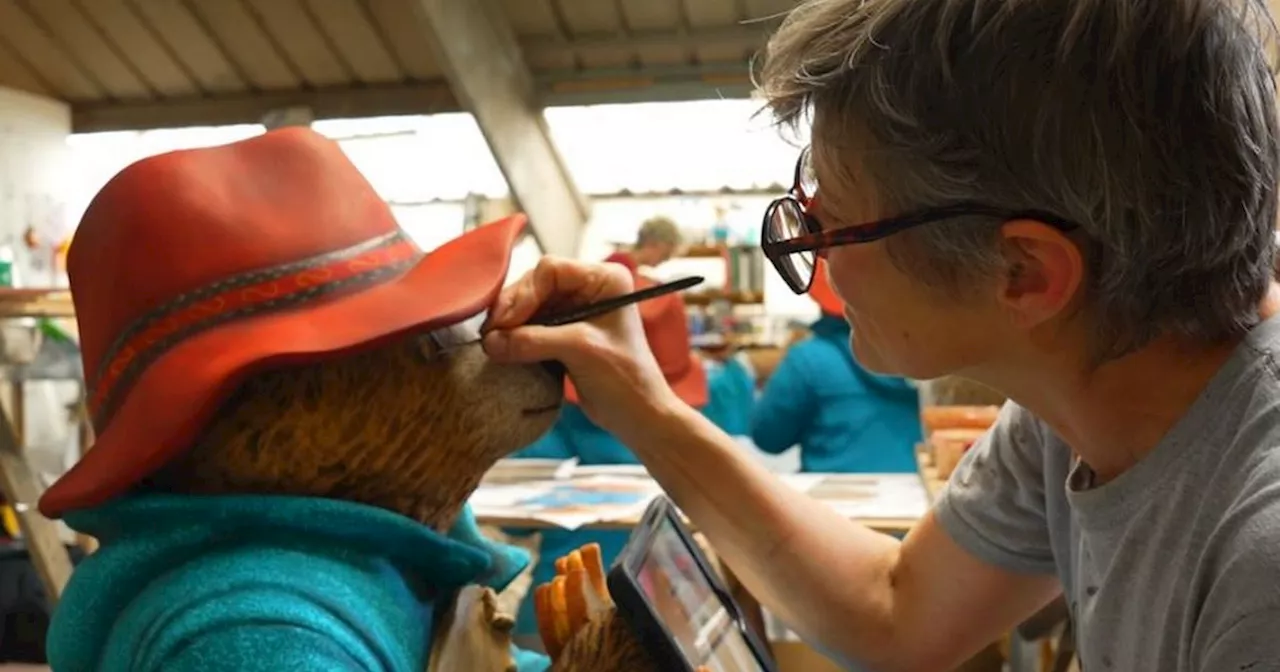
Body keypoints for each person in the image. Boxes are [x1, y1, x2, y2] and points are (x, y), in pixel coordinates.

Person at [480, 1, 1280, 670]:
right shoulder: (1076, 407)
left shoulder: (1259, 566)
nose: (814, 252)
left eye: (838, 221)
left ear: (1024, 273)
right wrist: (644, 404)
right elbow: (897, 612)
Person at [751, 259, 921, 473]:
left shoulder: (808, 359)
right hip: (919, 489)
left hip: (832, 497)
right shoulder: (924, 355)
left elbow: (767, 437)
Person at [604, 216, 682, 274]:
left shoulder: (630, 266)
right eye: (665, 255)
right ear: (651, 242)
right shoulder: (619, 265)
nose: (664, 260)